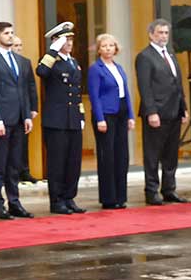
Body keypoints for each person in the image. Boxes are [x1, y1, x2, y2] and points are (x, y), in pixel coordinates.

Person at [0, 22, 34, 220]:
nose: (11, 36)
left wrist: (27, 115)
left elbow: (24, 91)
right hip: (2, 120)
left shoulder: (20, 61)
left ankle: (15, 202)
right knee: (0, 164)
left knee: (15, 164)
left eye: (12, 32)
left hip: (19, 119)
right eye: (6, 33)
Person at [135, 18, 189, 205]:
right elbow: (145, 87)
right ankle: (151, 191)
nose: (163, 36)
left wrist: (184, 108)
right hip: (156, 113)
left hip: (174, 112)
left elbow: (178, 84)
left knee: (171, 154)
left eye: (166, 33)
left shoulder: (171, 55)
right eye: (160, 32)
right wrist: (151, 112)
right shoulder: (145, 56)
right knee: (152, 154)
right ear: (151, 34)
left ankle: (169, 189)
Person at [36, 24, 86, 214]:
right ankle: (57, 200)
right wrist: (53, 50)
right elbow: (41, 72)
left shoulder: (73, 62)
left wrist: (81, 115)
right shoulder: (50, 60)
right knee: (57, 162)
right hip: (56, 120)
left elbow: (76, 92)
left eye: (71, 40)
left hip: (72, 118)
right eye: (66, 40)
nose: (70, 44)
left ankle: (69, 197)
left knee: (73, 161)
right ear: (56, 41)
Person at [87, 33, 135, 209]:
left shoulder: (119, 67)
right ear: (99, 49)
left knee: (122, 155)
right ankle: (108, 198)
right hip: (106, 114)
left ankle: (120, 197)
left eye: (111, 45)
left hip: (121, 113)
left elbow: (126, 93)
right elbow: (94, 96)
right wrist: (100, 118)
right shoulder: (95, 69)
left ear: (116, 48)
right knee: (108, 156)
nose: (108, 49)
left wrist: (130, 115)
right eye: (104, 46)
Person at [11, 36, 39, 183]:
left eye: (20, 45)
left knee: (24, 142)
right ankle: (11, 173)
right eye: (16, 45)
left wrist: (34, 107)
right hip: (9, 111)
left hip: (24, 109)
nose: (18, 48)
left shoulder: (25, 63)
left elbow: (31, 86)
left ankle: (24, 171)